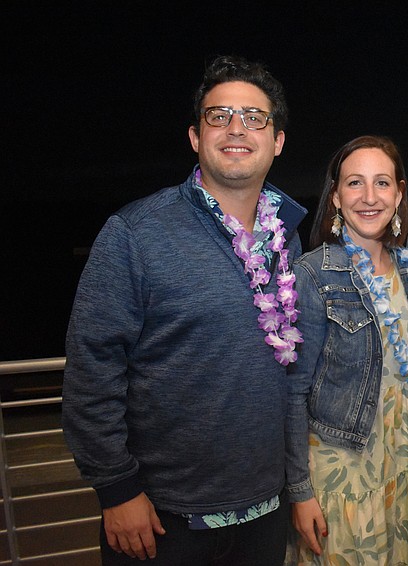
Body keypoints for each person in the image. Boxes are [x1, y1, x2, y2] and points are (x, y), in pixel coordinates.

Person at [62, 55, 306, 565]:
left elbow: (289, 373)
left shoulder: (288, 238)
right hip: (163, 522)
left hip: (264, 514)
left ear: (277, 141)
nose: (236, 128)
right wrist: (116, 490)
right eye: (219, 116)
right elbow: (92, 370)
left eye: (254, 117)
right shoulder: (136, 233)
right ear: (196, 136)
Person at [285, 135, 408, 565]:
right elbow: (292, 393)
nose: (369, 198)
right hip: (344, 478)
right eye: (355, 183)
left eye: (382, 183)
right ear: (335, 195)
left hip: (406, 468)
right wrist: (300, 492)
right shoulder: (313, 276)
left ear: (399, 194)